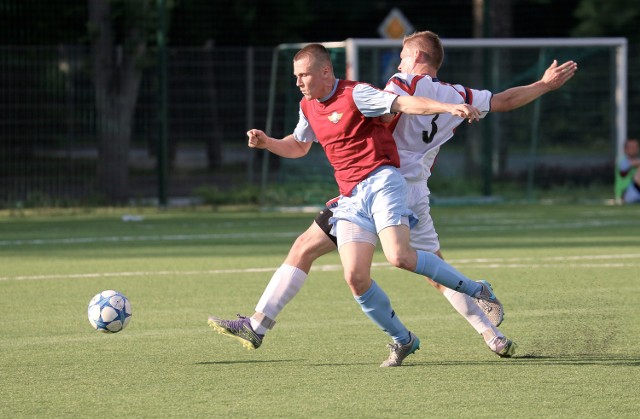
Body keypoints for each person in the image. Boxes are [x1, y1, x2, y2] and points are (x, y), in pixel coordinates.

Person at [209, 33, 578, 366]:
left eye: (402, 56)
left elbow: (396, 107)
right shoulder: (459, 93)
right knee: (395, 268)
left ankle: (260, 325)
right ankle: (489, 334)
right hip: (410, 190)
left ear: (416, 56)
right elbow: (505, 100)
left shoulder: (398, 84)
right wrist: (543, 85)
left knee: (362, 255)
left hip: (382, 182)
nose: (398, 63)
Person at [617, 138, 640, 204]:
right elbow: (623, 173)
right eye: (631, 147)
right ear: (626, 149)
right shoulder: (622, 161)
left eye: (636, 147)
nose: (634, 149)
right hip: (626, 193)